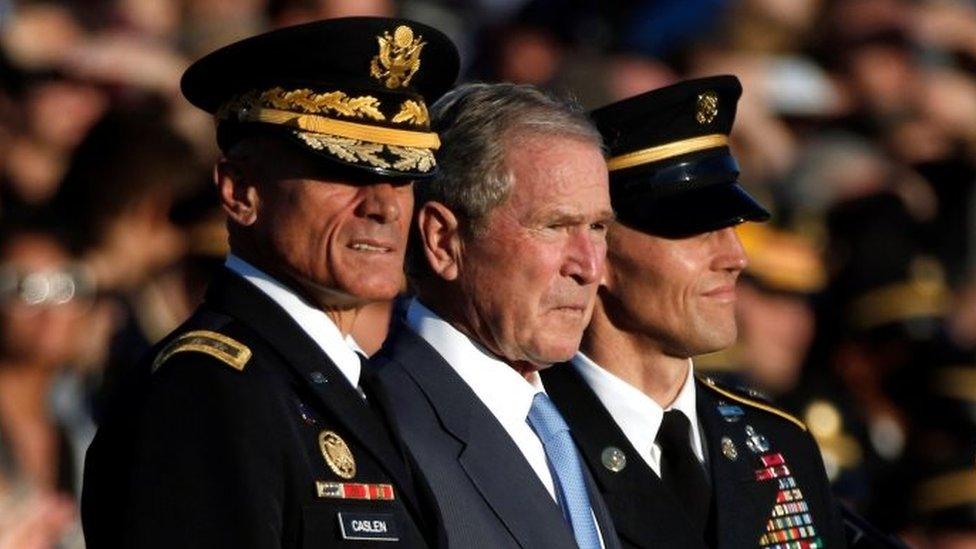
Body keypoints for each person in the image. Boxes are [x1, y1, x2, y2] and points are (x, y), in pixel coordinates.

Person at [81, 17, 459, 547]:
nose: (383, 206)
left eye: (402, 176)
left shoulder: (340, 377)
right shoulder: (208, 394)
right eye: (345, 171)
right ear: (239, 192)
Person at [540, 76, 848, 548]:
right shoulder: (531, 436)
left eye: (730, 226)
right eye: (697, 229)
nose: (735, 256)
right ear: (597, 251)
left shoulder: (778, 442)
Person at [369, 82, 620, 548]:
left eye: (598, 227)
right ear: (444, 241)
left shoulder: (566, 424)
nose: (589, 267)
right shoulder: (381, 429)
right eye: (555, 226)